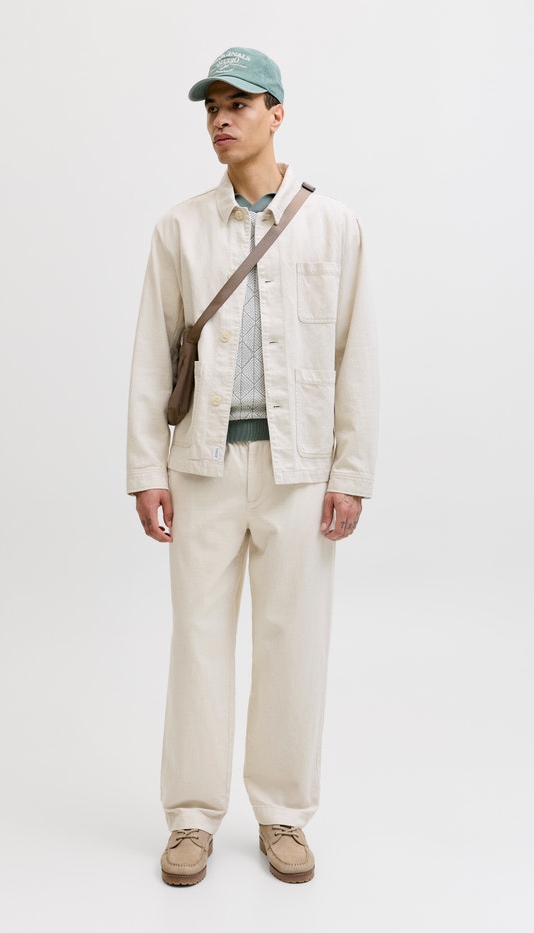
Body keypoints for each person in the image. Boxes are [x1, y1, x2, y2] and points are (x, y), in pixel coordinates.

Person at [126, 46, 379, 886]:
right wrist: (146, 468)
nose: (221, 119)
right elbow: (152, 355)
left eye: (239, 104)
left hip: (299, 468)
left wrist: (351, 471)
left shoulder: (334, 225)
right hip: (201, 464)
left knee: (292, 642)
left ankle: (283, 813)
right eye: (212, 107)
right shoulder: (179, 229)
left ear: (278, 113)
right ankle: (192, 817)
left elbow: (356, 354)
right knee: (198, 642)